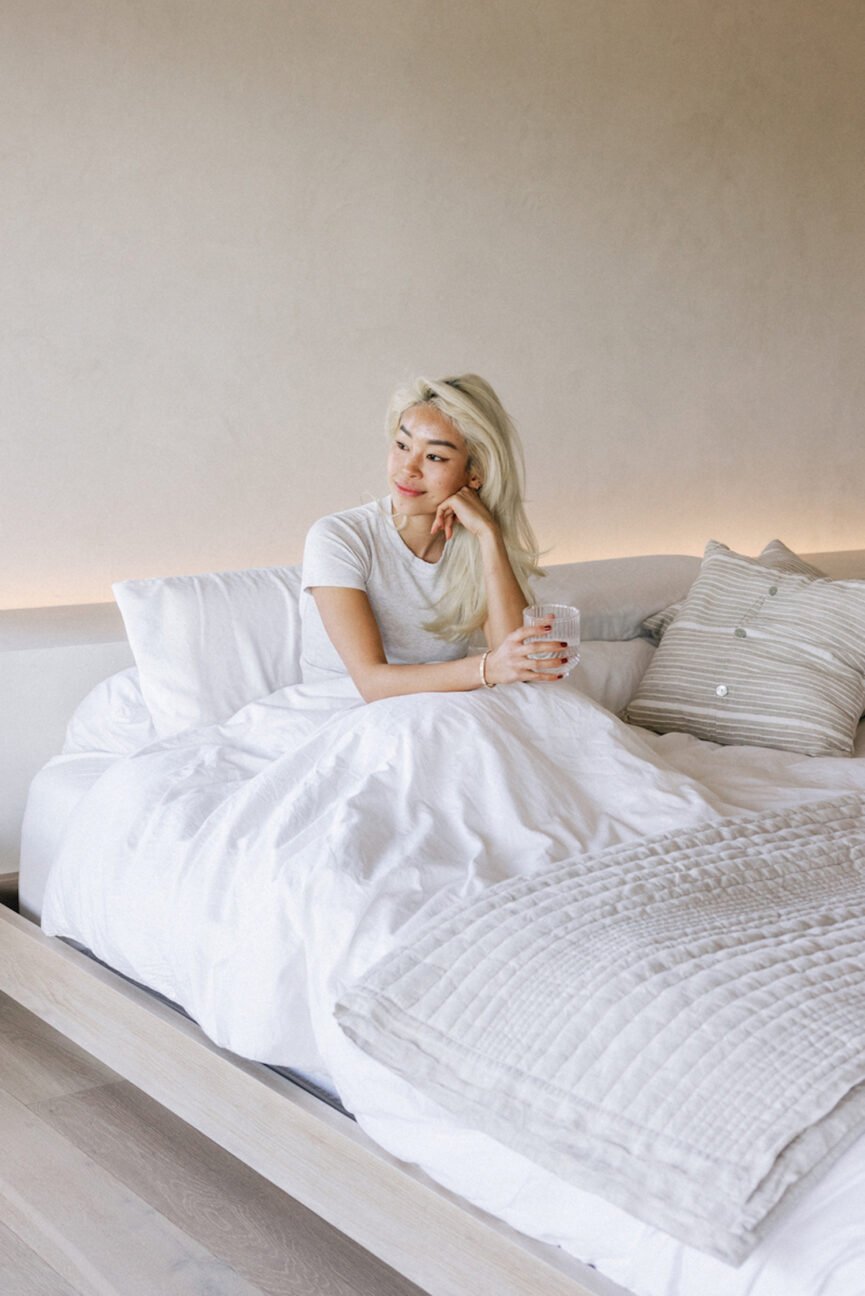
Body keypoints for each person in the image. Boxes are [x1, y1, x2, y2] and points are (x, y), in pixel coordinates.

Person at [300, 374, 569, 700]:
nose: (408, 468)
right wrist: (487, 669)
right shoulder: (339, 538)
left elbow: (516, 662)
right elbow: (371, 683)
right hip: (338, 713)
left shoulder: (472, 543)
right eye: (402, 446)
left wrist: (488, 535)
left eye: (435, 457)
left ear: (475, 474)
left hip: (439, 711)